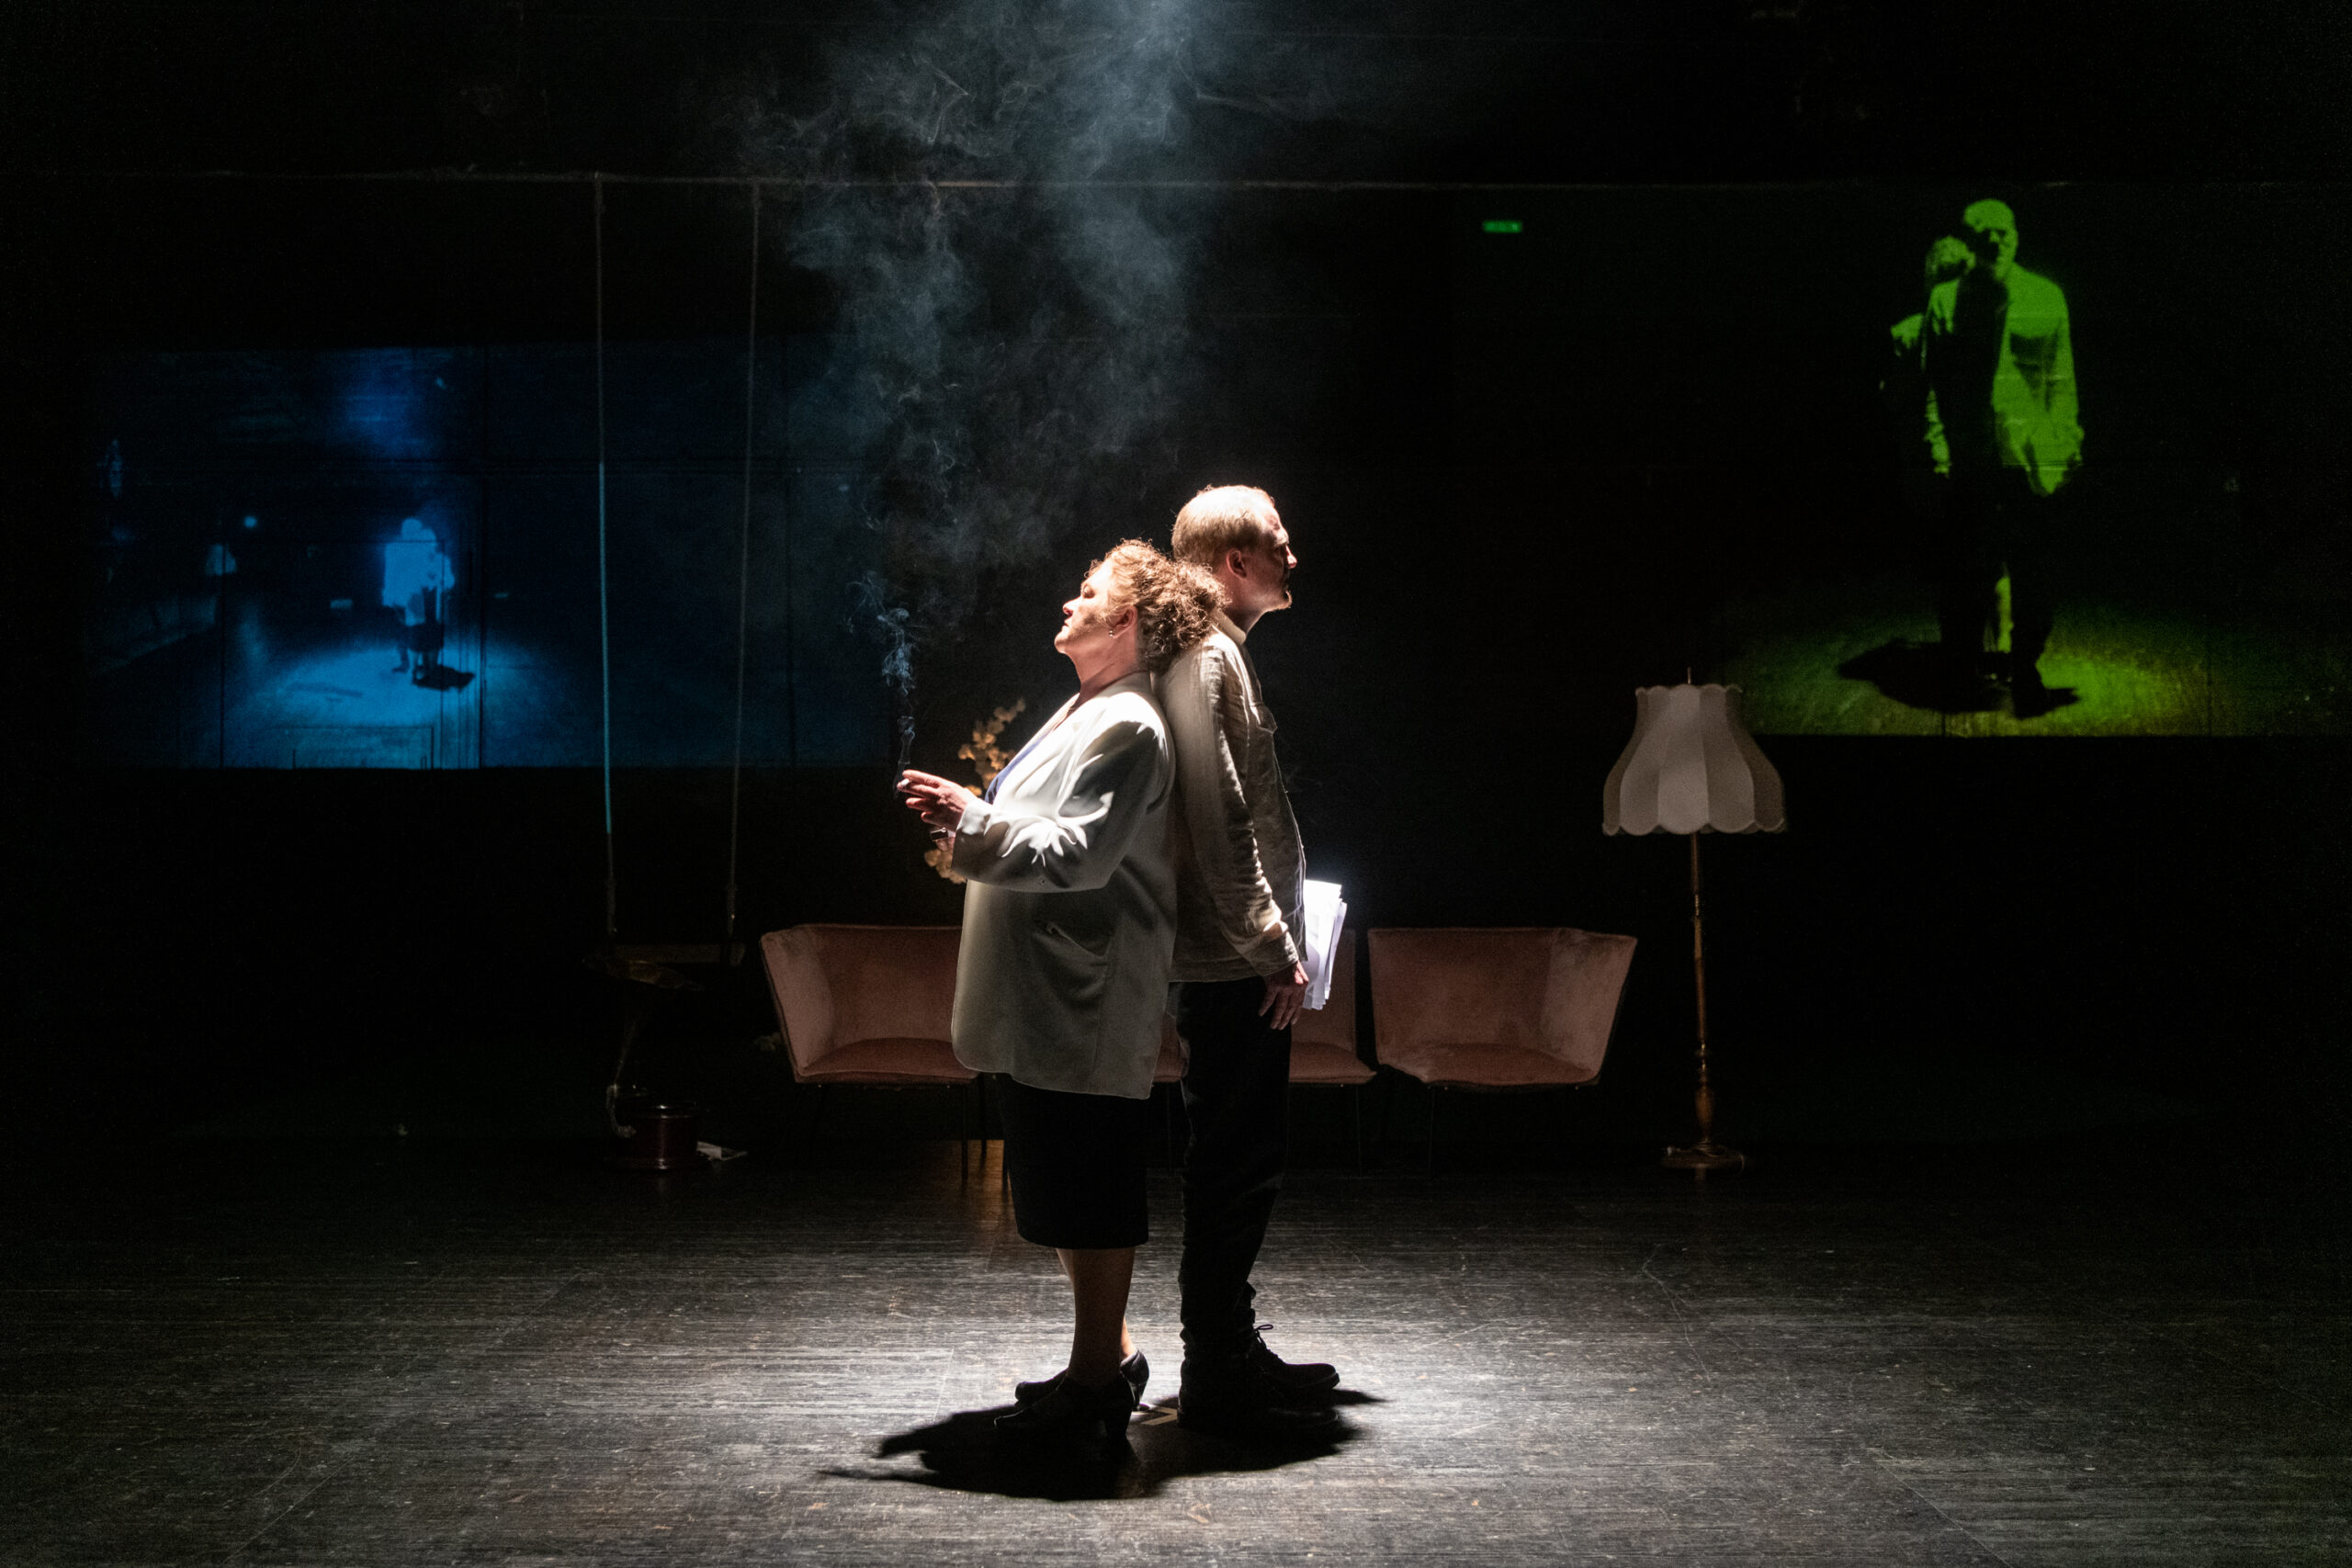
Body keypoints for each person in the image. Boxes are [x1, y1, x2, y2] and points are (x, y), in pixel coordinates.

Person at [897, 540, 1220, 1449]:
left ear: (1126, 620)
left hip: (1085, 992)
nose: (1069, 604)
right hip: (1046, 988)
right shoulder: (1090, 708)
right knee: (1059, 1183)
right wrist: (974, 818)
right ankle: (1108, 1357)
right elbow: (1042, 829)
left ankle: (1093, 1386)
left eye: (1088, 593)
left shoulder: (1132, 725)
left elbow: (1079, 856)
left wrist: (971, 816)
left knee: (1090, 1183)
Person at [1159, 484, 1339, 1435]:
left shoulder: (1216, 650)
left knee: (1240, 1159)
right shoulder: (1207, 655)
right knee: (1234, 1164)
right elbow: (1218, 818)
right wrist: (1272, 945)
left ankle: (1228, 1347)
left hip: (1232, 956)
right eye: (1278, 543)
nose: (1291, 558)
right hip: (1230, 962)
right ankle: (1218, 1368)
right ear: (1235, 562)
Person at [1918, 199, 2084, 716]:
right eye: (1983, 234)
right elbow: (1935, 383)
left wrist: (2065, 444)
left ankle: (2025, 665)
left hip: (2027, 459)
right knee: (1968, 571)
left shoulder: (2045, 297)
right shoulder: (1945, 300)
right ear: (1968, 243)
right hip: (1972, 459)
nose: (1995, 241)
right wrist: (1940, 448)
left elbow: (2061, 379)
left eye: (2003, 232)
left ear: (2016, 235)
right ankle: (1967, 669)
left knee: (2034, 573)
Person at [381, 518, 456, 683]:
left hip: (425, 602)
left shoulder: (431, 556)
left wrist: (436, 582)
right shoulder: (395, 548)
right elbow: (390, 574)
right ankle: (408, 665)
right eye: (407, 530)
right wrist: (388, 596)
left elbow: (442, 578)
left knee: (423, 633)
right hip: (403, 599)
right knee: (405, 633)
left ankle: (427, 667)